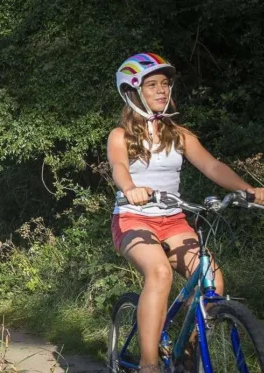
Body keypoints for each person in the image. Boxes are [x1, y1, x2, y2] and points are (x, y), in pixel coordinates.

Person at [108, 52, 264, 372]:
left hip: (173, 218)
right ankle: (149, 363)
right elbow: (119, 167)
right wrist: (130, 189)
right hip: (134, 218)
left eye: (165, 84)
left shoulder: (179, 133)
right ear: (132, 92)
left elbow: (211, 165)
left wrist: (247, 190)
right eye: (152, 85)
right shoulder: (120, 135)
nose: (162, 90)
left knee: (213, 280)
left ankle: (190, 348)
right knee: (160, 273)